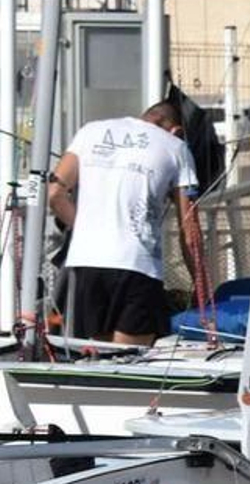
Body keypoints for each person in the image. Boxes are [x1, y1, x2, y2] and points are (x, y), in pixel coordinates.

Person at [48, 101, 203, 345]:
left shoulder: (90, 131)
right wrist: (202, 289)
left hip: (85, 263)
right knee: (131, 358)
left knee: (95, 355)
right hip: (137, 264)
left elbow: (55, 193)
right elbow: (189, 230)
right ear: (175, 130)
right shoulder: (177, 147)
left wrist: (85, 229)